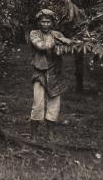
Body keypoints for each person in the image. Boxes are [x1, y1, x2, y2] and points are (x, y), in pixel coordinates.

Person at [28, 9, 73, 141]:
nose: (45, 24)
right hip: (40, 73)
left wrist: (66, 43)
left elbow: (64, 49)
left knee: (54, 104)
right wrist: (58, 40)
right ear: (39, 23)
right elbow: (41, 46)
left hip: (55, 73)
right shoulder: (34, 33)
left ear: (52, 23)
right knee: (38, 104)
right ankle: (34, 134)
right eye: (43, 22)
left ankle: (50, 133)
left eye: (48, 22)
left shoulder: (57, 34)